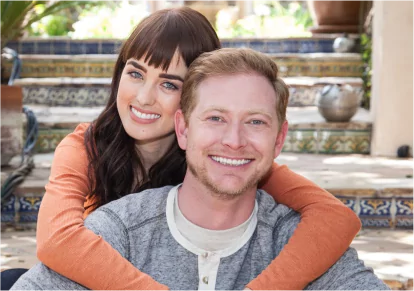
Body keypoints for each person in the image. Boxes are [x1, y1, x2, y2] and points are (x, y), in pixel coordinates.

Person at [6, 7, 361, 291]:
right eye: (135, 73)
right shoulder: (85, 147)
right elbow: (57, 242)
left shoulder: (220, 160)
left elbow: (334, 217)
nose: (144, 97)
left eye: (168, 83)